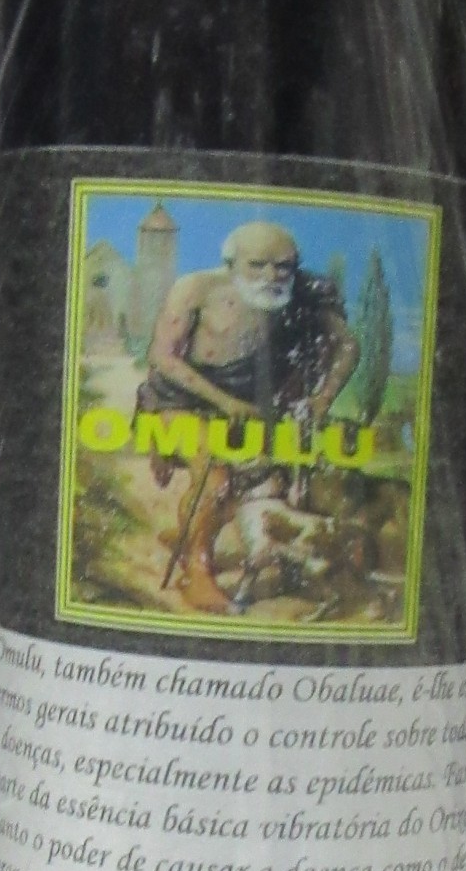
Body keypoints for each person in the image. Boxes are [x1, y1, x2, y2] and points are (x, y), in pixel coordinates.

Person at [137, 220, 359, 612]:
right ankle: (197, 570)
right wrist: (223, 402)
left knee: (268, 481)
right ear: (231, 263)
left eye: (283, 266)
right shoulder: (195, 289)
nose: (271, 276)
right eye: (257, 265)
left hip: (254, 409)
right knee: (215, 478)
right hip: (183, 399)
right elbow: (162, 358)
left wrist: (323, 398)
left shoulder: (307, 293)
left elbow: (348, 345)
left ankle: (199, 533)